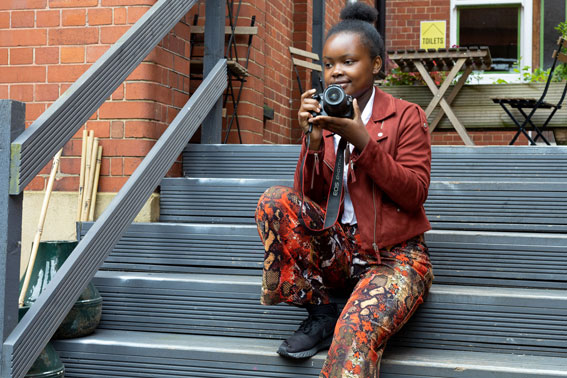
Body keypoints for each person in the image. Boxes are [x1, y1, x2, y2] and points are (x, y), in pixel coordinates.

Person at [255, 3, 434, 377]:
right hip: (339, 248)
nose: (336, 71)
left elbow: (414, 194)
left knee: (353, 334)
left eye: (349, 61)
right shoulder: (325, 114)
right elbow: (306, 199)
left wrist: (363, 142)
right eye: (329, 63)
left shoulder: (406, 116)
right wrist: (315, 143)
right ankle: (320, 312)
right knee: (275, 200)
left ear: (377, 64)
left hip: (393, 257)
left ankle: (338, 323)